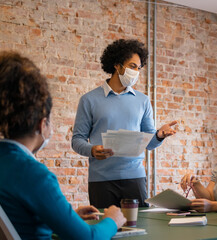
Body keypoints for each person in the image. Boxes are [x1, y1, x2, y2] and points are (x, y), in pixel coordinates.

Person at [0, 51, 126, 239]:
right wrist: (112, 221)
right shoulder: (34, 175)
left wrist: (68, 219)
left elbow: (18, 220)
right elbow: (89, 238)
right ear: (42, 125)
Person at [72, 39, 177, 208]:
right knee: (107, 231)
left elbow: (149, 144)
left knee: (140, 229)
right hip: (101, 180)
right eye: (132, 66)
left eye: (138, 68)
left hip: (134, 178)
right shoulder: (89, 100)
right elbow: (77, 140)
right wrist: (92, 150)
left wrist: (159, 135)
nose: (136, 71)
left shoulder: (143, 101)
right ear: (117, 65)